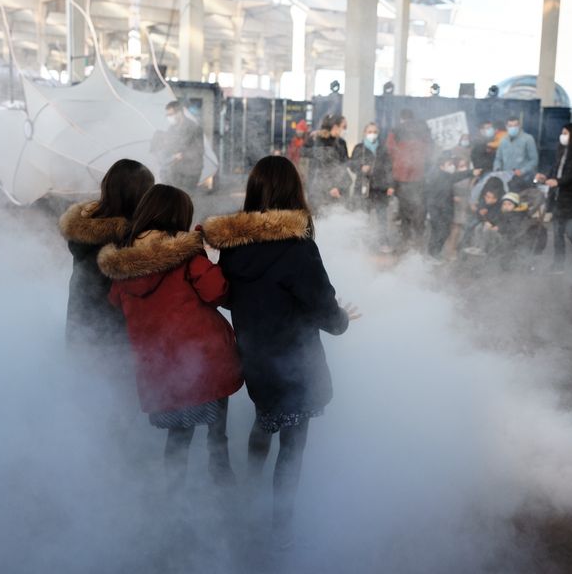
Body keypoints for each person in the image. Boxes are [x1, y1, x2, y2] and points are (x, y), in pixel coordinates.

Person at [201, 155, 360, 547]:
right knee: (293, 441)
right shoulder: (297, 247)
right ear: (294, 192)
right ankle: (280, 527)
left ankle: (250, 496)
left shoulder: (235, 247)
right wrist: (341, 320)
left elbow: (228, 296)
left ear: (253, 192)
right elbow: (322, 305)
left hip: (255, 355)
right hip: (295, 363)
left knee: (265, 419)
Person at [97, 185, 243, 491]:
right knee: (217, 432)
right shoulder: (187, 256)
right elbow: (217, 292)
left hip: (163, 366)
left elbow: (115, 301)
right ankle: (225, 488)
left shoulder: (124, 264)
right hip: (205, 359)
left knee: (179, 435)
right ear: (178, 217)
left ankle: (172, 502)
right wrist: (204, 254)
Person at [59, 159, 155, 345]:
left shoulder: (87, 230)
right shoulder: (129, 238)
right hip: (117, 342)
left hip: (81, 332)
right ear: (139, 195)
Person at [534, 123, 572, 274]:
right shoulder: (564, 149)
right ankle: (558, 265)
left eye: (565, 133)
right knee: (557, 232)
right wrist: (546, 177)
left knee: (571, 232)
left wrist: (559, 182)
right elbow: (556, 169)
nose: (563, 136)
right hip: (558, 197)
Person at [387, 109, 432, 250]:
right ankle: (418, 245)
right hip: (419, 177)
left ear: (401, 118)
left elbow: (389, 149)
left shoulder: (395, 130)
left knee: (403, 212)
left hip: (401, 178)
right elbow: (430, 151)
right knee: (419, 212)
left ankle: (404, 243)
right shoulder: (424, 130)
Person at [349, 122, 394, 251]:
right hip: (363, 187)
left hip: (380, 188)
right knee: (362, 215)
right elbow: (351, 165)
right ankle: (360, 243)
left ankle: (383, 243)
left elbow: (389, 168)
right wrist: (361, 168)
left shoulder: (383, 149)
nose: (372, 134)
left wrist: (390, 185)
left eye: (374, 131)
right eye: (369, 131)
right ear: (364, 133)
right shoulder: (359, 148)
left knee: (382, 217)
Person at [424, 152, 472, 259]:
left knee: (444, 231)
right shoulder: (438, 175)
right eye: (449, 163)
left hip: (446, 208)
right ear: (442, 165)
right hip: (436, 208)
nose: (452, 166)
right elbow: (456, 177)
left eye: (452, 163)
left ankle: (434, 253)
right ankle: (433, 254)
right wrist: (471, 172)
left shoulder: (446, 175)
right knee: (439, 231)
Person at [155, 101, 205, 193]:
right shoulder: (172, 128)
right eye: (167, 115)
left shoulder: (194, 128)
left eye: (171, 114)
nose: (169, 117)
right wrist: (161, 143)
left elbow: (199, 151)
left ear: (180, 113)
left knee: (184, 197)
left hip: (191, 172)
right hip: (176, 169)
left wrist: (182, 155)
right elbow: (170, 147)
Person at [304, 114, 351, 208]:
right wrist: (330, 187)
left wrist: (340, 185)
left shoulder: (342, 143)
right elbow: (319, 168)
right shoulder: (320, 140)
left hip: (339, 189)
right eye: (344, 127)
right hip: (322, 191)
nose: (346, 130)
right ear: (335, 127)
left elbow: (343, 164)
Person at [493, 116, 538, 192]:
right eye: (510, 126)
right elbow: (498, 158)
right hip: (506, 178)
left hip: (523, 179)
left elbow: (534, 160)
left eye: (515, 125)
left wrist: (522, 171)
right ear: (506, 127)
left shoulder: (528, 139)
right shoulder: (503, 140)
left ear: (519, 126)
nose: (513, 128)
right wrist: (497, 168)